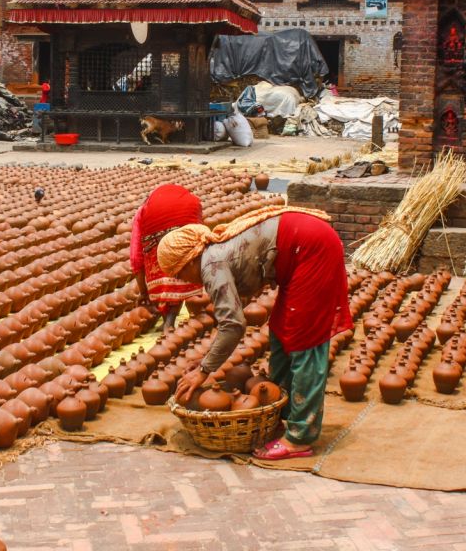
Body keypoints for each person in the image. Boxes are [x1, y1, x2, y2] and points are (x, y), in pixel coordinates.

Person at [158, 205, 351, 461]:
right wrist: (204, 361)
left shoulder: (211, 264)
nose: (184, 280)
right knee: (282, 328)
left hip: (311, 247)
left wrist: (205, 369)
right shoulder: (213, 256)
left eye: (180, 273)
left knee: (305, 338)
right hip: (302, 244)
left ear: (190, 259)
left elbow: (234, 325)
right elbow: (233, 315)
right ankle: (280, 415)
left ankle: (300, 436)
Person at [130, 184, 204, 330]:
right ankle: (172, 320)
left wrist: (144, 292)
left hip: (183, 213)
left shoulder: (142, 213)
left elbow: (136, 257)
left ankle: (168, 322)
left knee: (162, 274)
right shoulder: (147, 212)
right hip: (190, 209)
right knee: (183, 268)